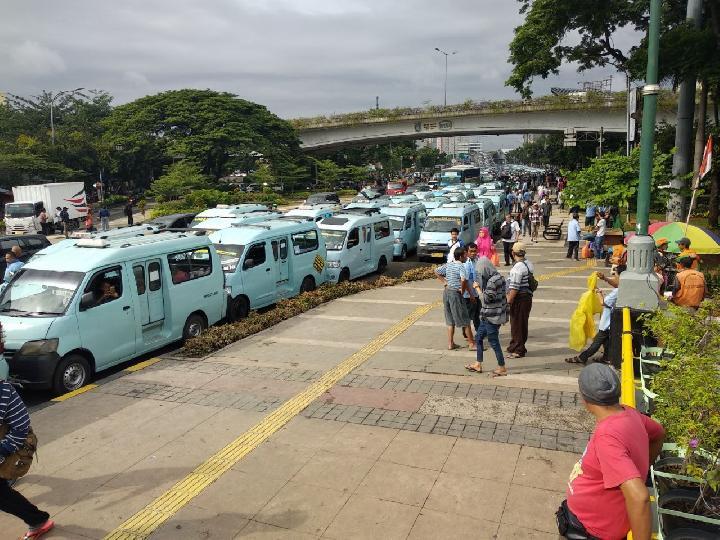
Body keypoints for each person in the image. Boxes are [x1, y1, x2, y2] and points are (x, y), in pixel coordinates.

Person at [562, 363, 664, 540]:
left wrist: (636, 476)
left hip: (593, 529)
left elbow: (639, 497)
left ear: (585, 398)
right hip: (587, 518)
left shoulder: (607, 437)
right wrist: (641, 469)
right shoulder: (628, 413)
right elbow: (658, 432)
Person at [0, 363, 55, 539]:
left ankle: (38, 521)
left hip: (7, 446)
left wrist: (3, 451)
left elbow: (21, 426)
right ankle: (38, 520)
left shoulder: (4, 391)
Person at [565, 270, 621, 365]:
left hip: (607, 322)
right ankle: (607, 357)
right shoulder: (624, 288)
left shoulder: (617, 291)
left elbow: (603, 302)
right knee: (607, 341)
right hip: (613, 322)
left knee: (596, 343)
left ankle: (583, 357)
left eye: (616, 276)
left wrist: (598, 292)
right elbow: (617, 285)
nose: (614, 279)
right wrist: (604, 278)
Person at [465, 257, 509, 376]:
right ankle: (478, 364)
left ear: (485, 269)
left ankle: (502, 367)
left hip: (492, 318)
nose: (480, 274)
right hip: (489, 316)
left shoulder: (492, 282)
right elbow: (504, 298)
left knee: (493, 342)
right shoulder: (499, 277)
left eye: (480, 271)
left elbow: (485, 300)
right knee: (478, 338)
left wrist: (477, 288)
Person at [435, 247, 476, 351]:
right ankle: (471, 344)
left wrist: (445, 282)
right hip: (455, 294)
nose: (467, 256)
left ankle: (450, 343)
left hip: (447, 293)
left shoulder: (449, 264)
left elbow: (436, 271)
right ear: (461, 256)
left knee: (450, 320)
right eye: (465, 255)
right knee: (465, 319)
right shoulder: (461, 266)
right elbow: (464, 280)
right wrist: (463, 291)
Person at [506, 242, 534, 358]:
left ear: (513, 253)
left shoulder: (518, 268)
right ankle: (514, 345)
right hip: (527, 297)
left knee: (517, 324)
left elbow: (515, 287)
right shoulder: (528, 264)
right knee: (521, 323)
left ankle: (518, 350)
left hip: (519, 299)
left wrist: (509, 300)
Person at [463, 243, 480, 332]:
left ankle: (479, 332)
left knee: (477, 314)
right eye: (471, 251)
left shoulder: (477, 260)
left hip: (476, 292)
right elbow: (464, 281)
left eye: (474, 251)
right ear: (466, 252)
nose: (473, 253)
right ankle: (466, 334)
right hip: (468, 295)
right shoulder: (466, 263)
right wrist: (471, 295)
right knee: (468, 316)